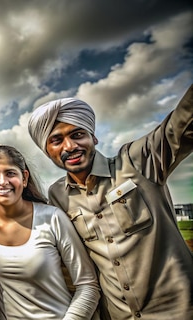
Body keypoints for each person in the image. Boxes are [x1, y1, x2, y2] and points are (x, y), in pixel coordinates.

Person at [27, 84, 193, 319]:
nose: (70, 147)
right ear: (47, 150)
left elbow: (181, 125)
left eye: (77, 135)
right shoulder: (57, 196)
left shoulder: (138, 162)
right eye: (56, 140)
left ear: (93, 137)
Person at [0, 145, 100, 319]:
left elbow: (88, 285)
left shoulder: (52, 218)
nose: (3, 182)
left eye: (10, 173)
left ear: (24, 178)